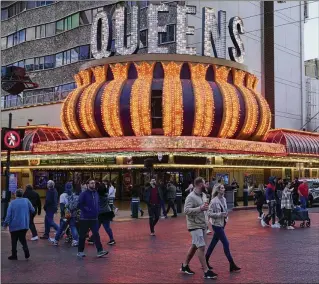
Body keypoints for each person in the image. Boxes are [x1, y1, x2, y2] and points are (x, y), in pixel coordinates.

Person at [181, 177, 217, 279]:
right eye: (205, 184)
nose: (206, 185)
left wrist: (207, 216)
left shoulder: (204, 195)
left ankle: (184, 265)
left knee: (195, 246)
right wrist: (200, 208)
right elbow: (186, 210)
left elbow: (205, 209)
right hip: (194, 225)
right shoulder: (190, 197)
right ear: (200, 185)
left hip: (202, 224)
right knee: (201, 246)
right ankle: (206, 271)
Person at [206, 184, 241, 273]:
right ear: (218, 190)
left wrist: (225, 215)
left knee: (213, 242)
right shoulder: (213, 201)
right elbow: (209, 213)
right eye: (222, 188)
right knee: (226, 243)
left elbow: (225, 210)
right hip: (216, 225)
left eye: (223, 188)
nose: (224, 189)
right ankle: (231, 264)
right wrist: (219, 214)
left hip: (223, 223)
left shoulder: (224, 199)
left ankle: (205, 259)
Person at [77, 179, 108, 258]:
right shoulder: (84, 194)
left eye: (94, 183)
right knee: (82, 235)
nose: (93, 184)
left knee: (96, 234)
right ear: (88, 184)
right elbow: (80, 204)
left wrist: (97, 211)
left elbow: (97, 203)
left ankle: (100, 251)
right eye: (91, 183)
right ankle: (80, 251)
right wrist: (88, 210)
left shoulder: (96, 193)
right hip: (85, 218)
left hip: (94, 218)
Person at [3, 188, 35, 260]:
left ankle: (14, 255)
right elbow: (33, 210)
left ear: (15, 195)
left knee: (14, 240)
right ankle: (26, 250)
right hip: (24, 224)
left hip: (14, 225)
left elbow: (8, 215)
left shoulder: (12, 203)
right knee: (23, 239)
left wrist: (5, 224)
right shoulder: (26, 201)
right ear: (22, 194)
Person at [50, 182, 79, 247]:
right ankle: (76, 241)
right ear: (72, 187)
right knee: (73, 227)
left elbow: (62, 206)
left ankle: (56, 241)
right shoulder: (74, 195)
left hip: (65, 215)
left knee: (61, 228)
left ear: (65, 187)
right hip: (73, 214)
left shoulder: (62, 195)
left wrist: (64, 213)